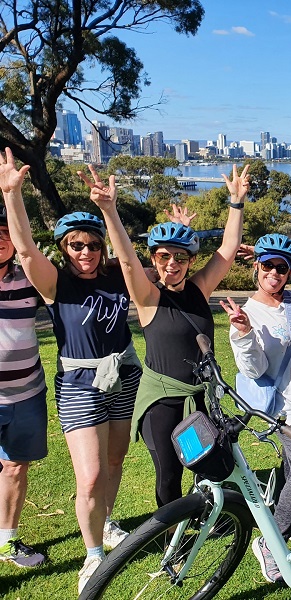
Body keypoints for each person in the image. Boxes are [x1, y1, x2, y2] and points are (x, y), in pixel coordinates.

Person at [2, 152, 142, 592]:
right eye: (76, 245)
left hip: (123, 374)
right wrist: (12, 195)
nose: (85, 252)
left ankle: (109, 522)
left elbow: (129, 256)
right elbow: (24, 248)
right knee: (91, 475)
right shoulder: (56, 283)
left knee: (117, 461)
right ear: (63, 249)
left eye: (93, 244)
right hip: (79, 384)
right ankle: (94, 554)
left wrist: (109, 210)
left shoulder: (118, 277)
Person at [77, 164, 249, 512]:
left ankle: (201, 520)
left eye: (181, 257)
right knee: (169, 475)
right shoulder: (148, 298)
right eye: (163, 256)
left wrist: (236, 202)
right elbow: (125, 261)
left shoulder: (200, 288)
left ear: (190, 260)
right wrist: (109, 210)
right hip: (163, 404)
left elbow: (229, 249)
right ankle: (172, 540)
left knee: (204, 466)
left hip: (200, 397)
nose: (172, 263)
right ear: (154, 258)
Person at [220, 233, 291, 584]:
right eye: (268, 265)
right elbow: (254, 369)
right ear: (256, 267)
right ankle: (271, 541)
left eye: (283, 267)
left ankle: (287, 520)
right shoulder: (248, 312)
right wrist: (244, 333)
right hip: (286, 406)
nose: (275, 273)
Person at [0, 204, 47, 569]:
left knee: (16, 467)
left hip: (27, 393)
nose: (0, 241)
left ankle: (6, 540)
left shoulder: (29, 279)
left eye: (6, 234)